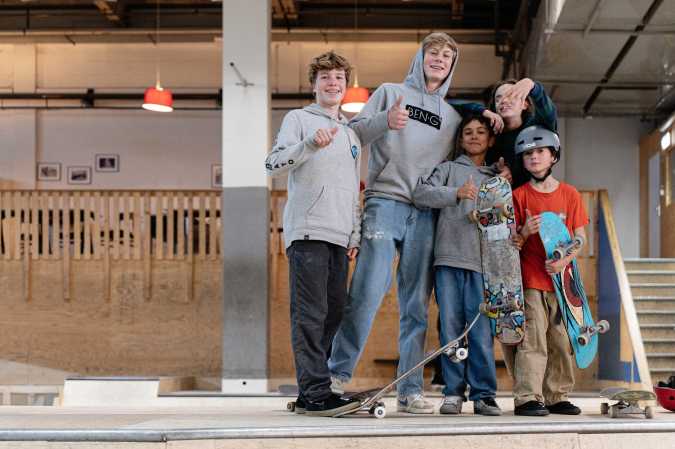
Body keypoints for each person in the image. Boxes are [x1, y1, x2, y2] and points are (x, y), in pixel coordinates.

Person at [329, 32, 504, 414]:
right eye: (433, 52)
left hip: (426, 213)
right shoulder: (391, 93)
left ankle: (409, 390)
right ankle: (336, 376)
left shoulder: (454, 116)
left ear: (453, 65)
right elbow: (353, 133)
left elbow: (470, 153)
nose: (439, 59)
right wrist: (383, 122)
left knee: (416, 307)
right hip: (385, 201)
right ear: (420, 57)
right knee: (368, 291)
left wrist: (486, 115)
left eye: (447, 55)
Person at [265, 51, 362, 417]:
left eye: (338, 77)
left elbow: (354, 187)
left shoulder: (352, 133)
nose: (332, 83)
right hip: (307, 232)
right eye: (325, 77)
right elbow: (272, 165)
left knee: (334, 313)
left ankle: (313, 390)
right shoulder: (299, 119)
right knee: (311, 313)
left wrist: (354, 234)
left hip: (340, 236)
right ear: (314, 84)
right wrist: (309, 145)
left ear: (345, 84)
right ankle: (316, 392)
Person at [413, 114, 503, 416]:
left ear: (490, 140)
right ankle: (453, 393)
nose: (474, 136)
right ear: (460, 139)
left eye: (481, 132)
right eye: (468, 132)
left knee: (480, 332)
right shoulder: (448, 169)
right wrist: (456, 193)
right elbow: (421, 193)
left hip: (483, 264)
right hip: (448, 259)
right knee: (451, 329)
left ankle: (484, 394)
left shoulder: (499, 178)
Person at [510, 125, 589, 416]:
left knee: (562, 337)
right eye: (528, 153)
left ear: (553, 156)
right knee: (534, 337)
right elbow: (511, 243)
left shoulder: (570, 194)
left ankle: (556, 395)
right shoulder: (518, 196)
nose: (534, 157)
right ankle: (527, 397)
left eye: (540, 151)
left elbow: (580, 237)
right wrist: (524, 231)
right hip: (531, 279)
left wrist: (565, 260)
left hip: (563, 281)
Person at [486, 78, 557, 188]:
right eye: (498, 99)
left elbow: (549, 113)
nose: (503, 101)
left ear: (525, 104)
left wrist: (533, 87)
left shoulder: (536, 126)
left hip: (534, 194)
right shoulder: (490, 133)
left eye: (510, 96)